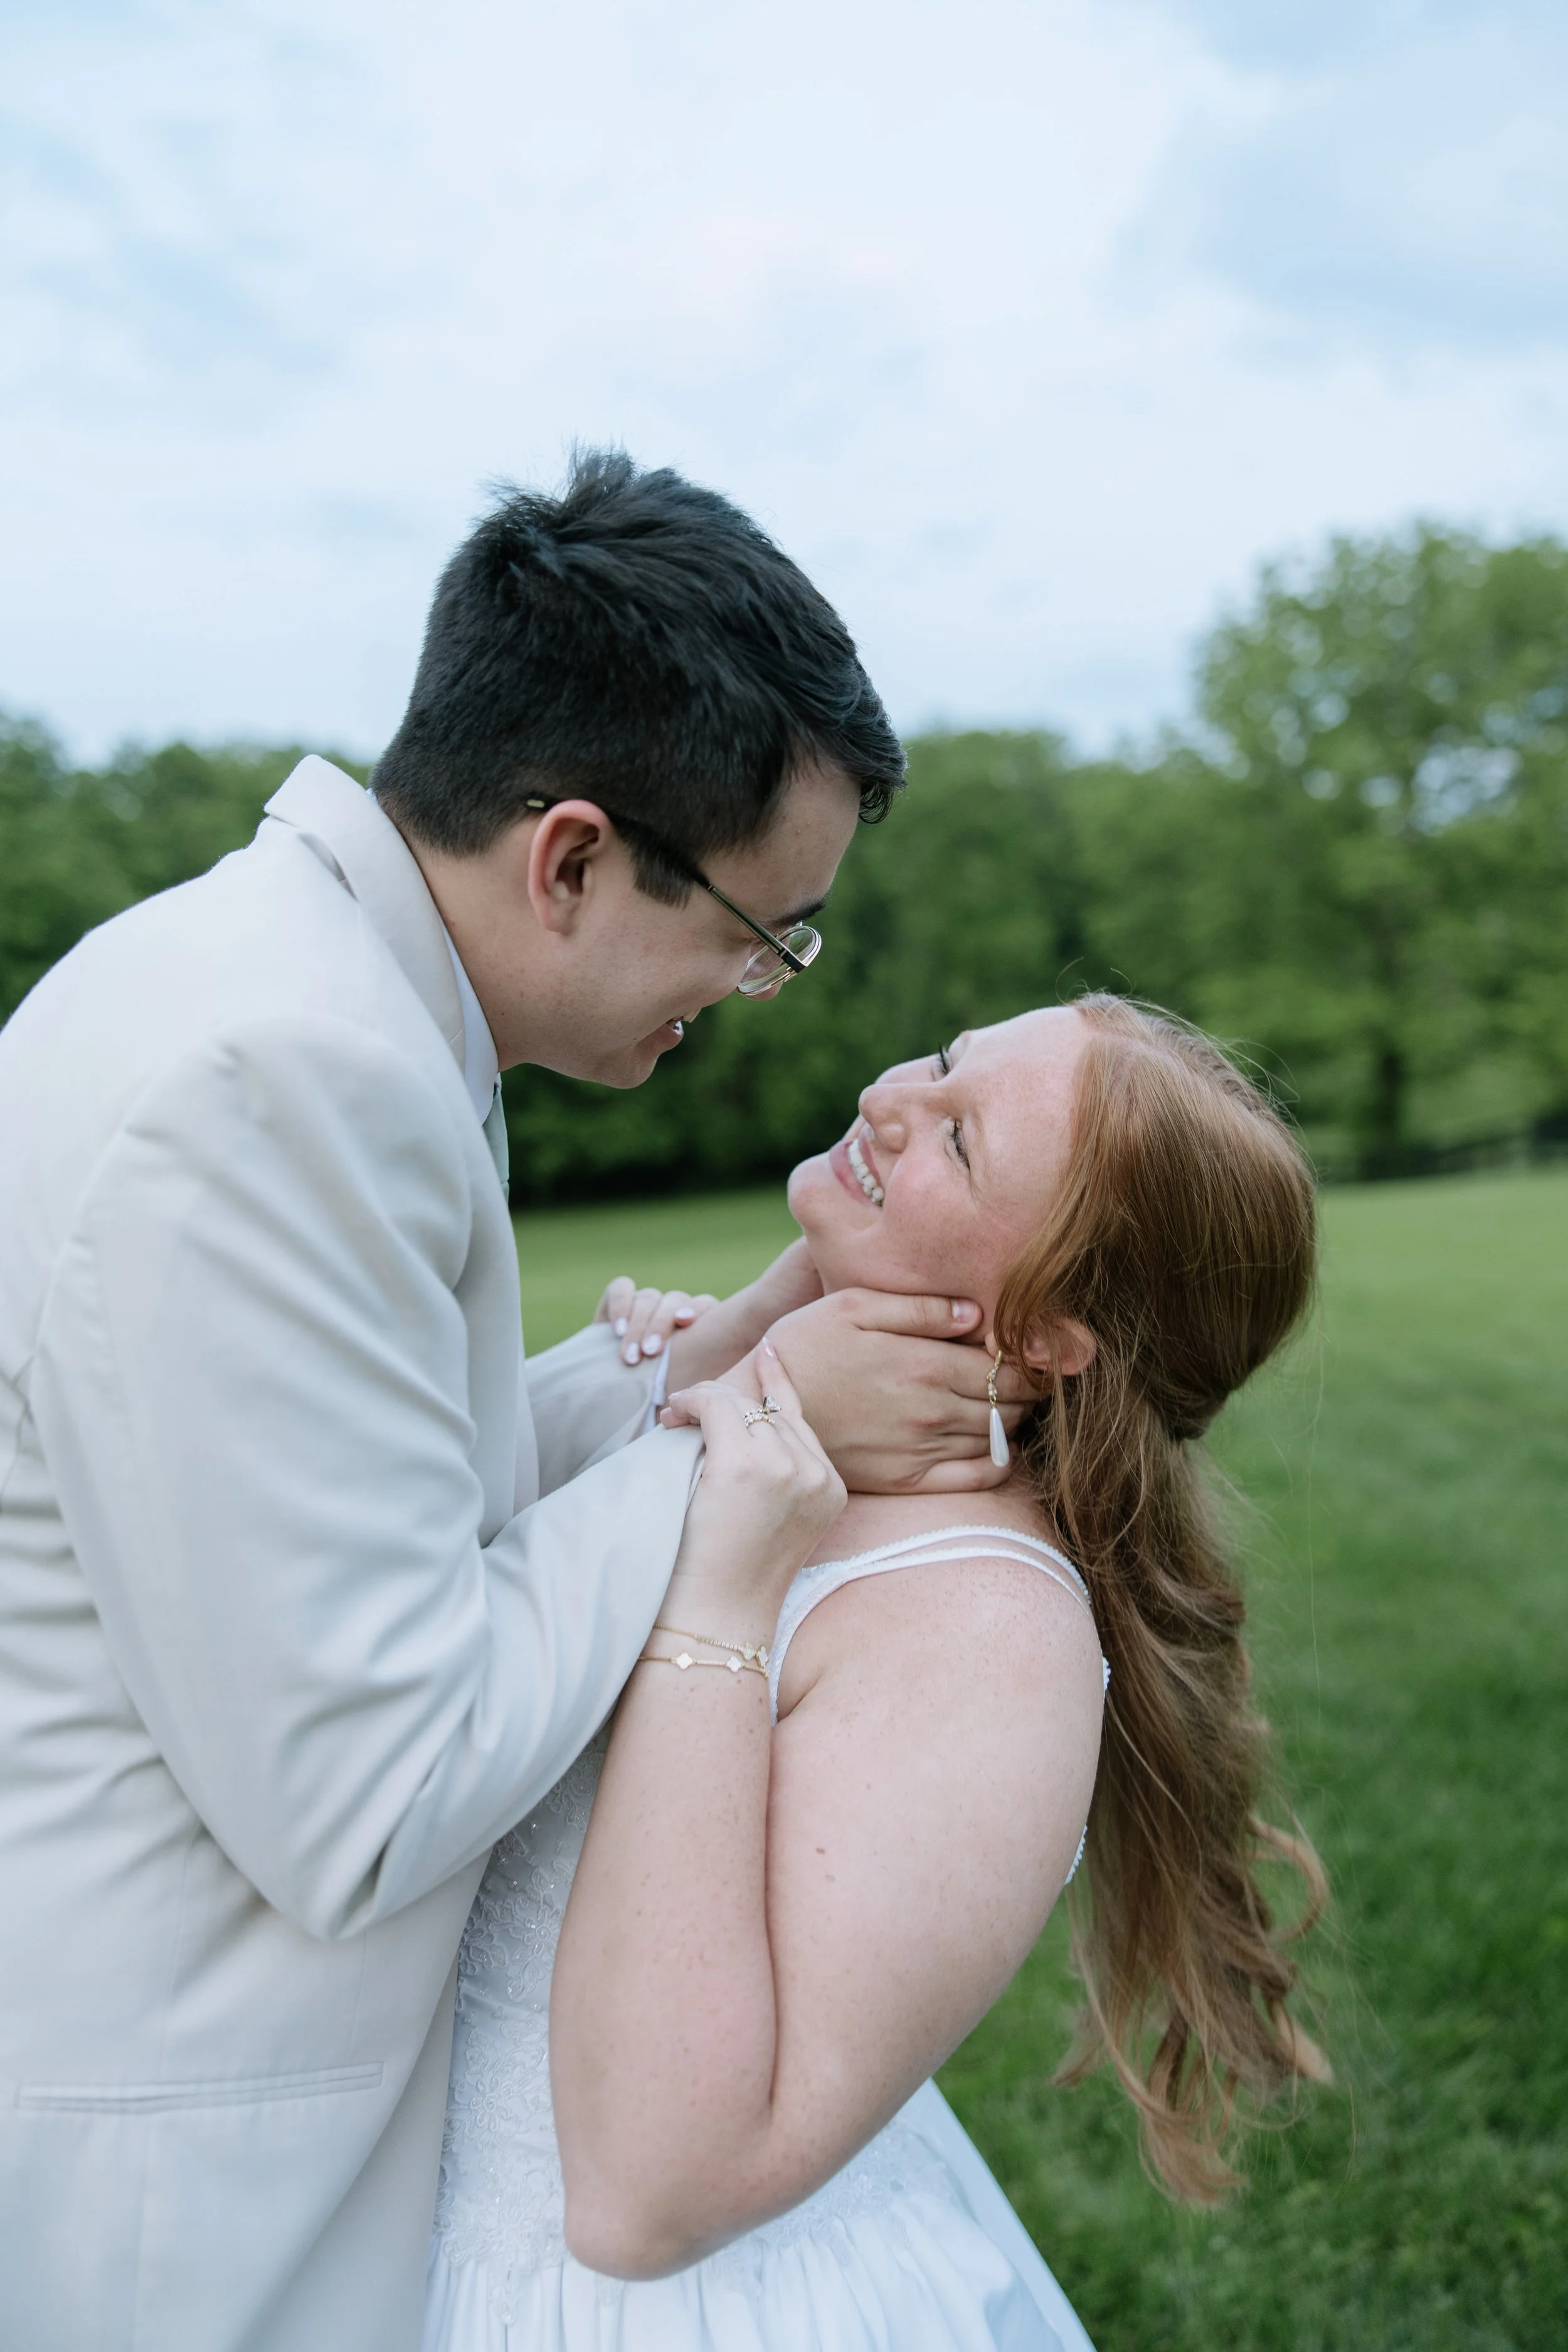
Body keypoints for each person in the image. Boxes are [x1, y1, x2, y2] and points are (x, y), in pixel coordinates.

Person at [0, 452, 1027, 2352]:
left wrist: (708, 1365)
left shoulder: (320, 998)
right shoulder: (275, 1072)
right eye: (760, 924)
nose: (765, 985)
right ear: (567, 854)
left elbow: (374, 1481)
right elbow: (372, 1787)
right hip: (177, 2187)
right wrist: (759, 1438)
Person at [423, 996, 1330, 2352]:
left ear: (1043, 1336)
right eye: (949, 1057)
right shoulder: (758, 1410)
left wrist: (720, 1590)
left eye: (958, 1142)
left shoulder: (980, 1630)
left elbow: (652, 2195)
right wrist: (732, 1350)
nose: (893, 1093)